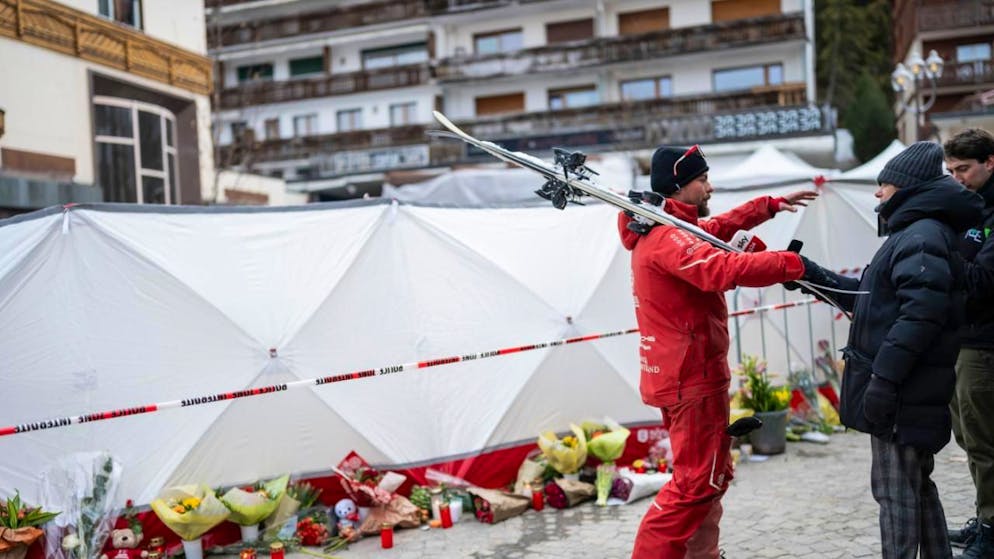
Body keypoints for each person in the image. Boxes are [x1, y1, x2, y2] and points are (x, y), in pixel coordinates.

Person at [619, 144, 826, 559]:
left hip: (686, 373)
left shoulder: (671, 229)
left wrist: (766, 206)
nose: (709, 187)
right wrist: (791, 264)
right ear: (679, 186)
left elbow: (715, 230)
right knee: (696, 483)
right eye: (702, 180)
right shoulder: (668, 240)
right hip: (690, 377)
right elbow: (722, 269)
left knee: (710, 476)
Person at [792, 141, 984, 559]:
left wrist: (884, 380)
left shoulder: (921, 237)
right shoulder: (917, 235)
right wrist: (808, 274)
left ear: (908, 188)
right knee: (918, 488)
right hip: (908, 389)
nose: (878, 194)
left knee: (895, 494)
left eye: (886, 185)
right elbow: (871, 302)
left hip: (904, 392)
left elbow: (919, 319)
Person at [943, 129, 994, 558]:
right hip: (966, 337)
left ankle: (992, 531)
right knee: (970, 438)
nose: (957, 178)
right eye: (950, 171)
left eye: (964, 169)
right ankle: (986, 517)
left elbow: (981, 282)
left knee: (984, 440)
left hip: (986, 342)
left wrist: (947, 257)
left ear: (989, 162)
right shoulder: (970, 209)